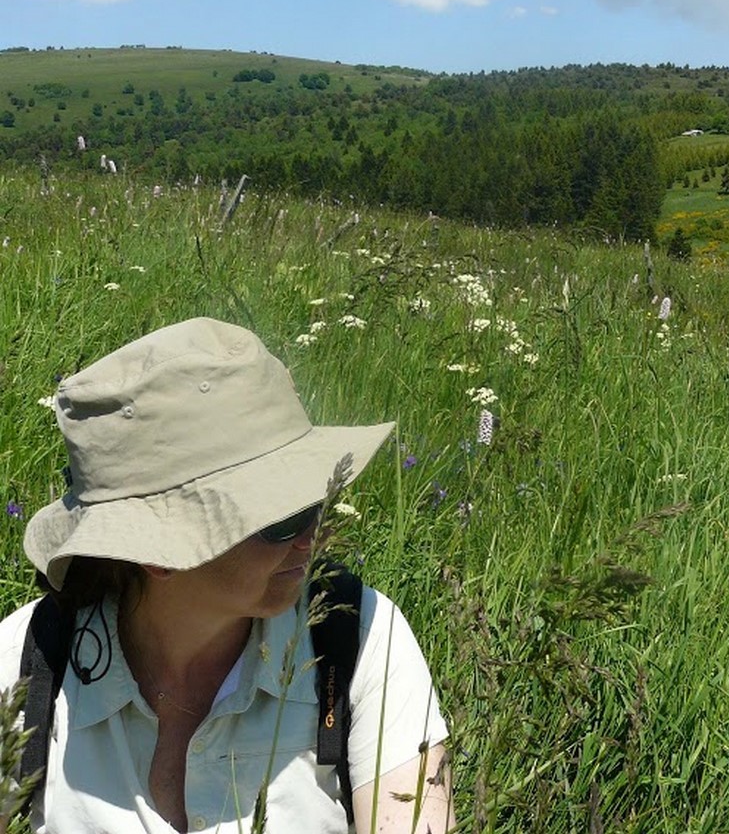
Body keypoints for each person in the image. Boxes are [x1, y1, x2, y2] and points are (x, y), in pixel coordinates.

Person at [0, 317, 454, 833]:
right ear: (159, 552)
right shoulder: (28, 663)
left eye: (318, 501)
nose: (314, 535)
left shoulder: (360, 640)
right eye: (282, 520)